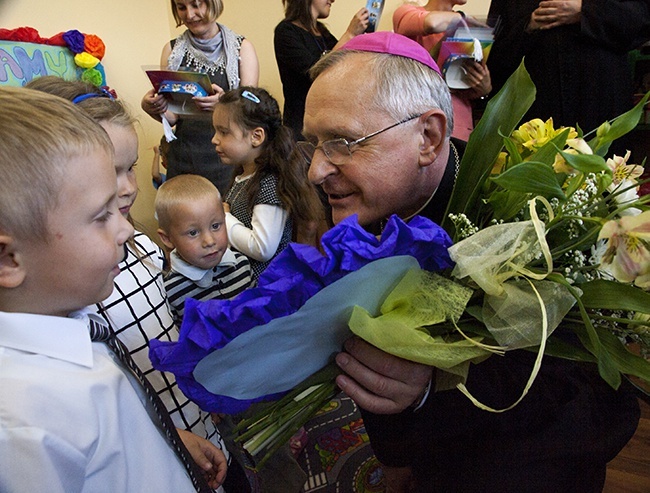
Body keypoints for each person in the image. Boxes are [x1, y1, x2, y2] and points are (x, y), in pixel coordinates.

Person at [299, 31, 641, 492]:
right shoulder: (364, 211)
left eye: (341, 141)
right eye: (314, 143)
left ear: (428, 137)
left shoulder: (542, 211)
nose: (315, 170)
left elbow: (599, 408)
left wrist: (428, 392)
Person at [25, 76, 250, 492]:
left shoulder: (140, 240)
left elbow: (165, 325)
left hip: (190, 409)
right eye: (111, 172)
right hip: (148, 435)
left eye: (130, 168)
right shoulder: (71, 280)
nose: (129, 187)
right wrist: (167, 431)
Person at [142, 0, 259, 195]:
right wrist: (153, 107)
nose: (189, 15)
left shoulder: (242, 49)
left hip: (229, 162)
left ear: (213, 4)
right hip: (184, 159)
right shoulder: (171, 51)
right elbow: (173, 117)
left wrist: (224, 107)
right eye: (181, 7)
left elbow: (252, 114)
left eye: (196, 5)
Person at [487, 0, 650, 135]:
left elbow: (640, 20)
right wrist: (529, 26)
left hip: (600, 100)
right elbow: (494, 54)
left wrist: (584, 11)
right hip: (535, 111)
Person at [212, 86, 325, 280]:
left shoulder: (269, 184)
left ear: (256, 136)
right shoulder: (243, 177)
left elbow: (262, 247)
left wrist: (224, 218)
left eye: (224, 132)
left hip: (264, 288)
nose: (214, 140)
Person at [155, 174, 253, 324]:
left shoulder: (242, 264)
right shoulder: (171, 290)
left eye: (215, 226)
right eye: (193, 233)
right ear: (167, 239)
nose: (209, 241)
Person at [393, 0, 492, 140]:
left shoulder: (469, 25)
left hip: (460, 125)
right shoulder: (406, 12)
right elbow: (432, 23)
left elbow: (467, 85)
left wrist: (484, 89)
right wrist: (461, 18)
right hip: (420, 125)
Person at [274, 0, 369, 139]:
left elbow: (342, 64)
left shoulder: (323, 33)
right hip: (302, 129)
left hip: (328, 123)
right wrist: (349, 34)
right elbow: (316, 72)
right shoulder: (286, 31)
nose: (332, 0)